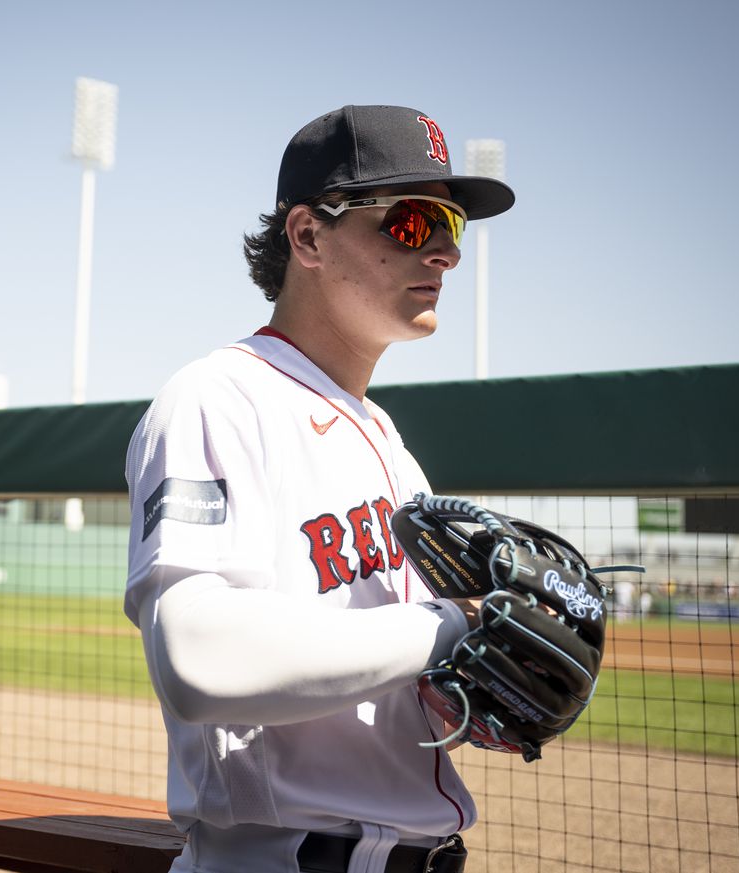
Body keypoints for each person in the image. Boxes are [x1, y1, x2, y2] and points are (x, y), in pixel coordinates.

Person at [124, 105, 515, 873]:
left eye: (454, 226)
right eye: (412, 221)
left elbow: (398, 675)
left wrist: (481, 685)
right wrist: (452, 626)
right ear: (308, 236)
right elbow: (198, 655)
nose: (445, 251)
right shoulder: (220, 396)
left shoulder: (393, 448)